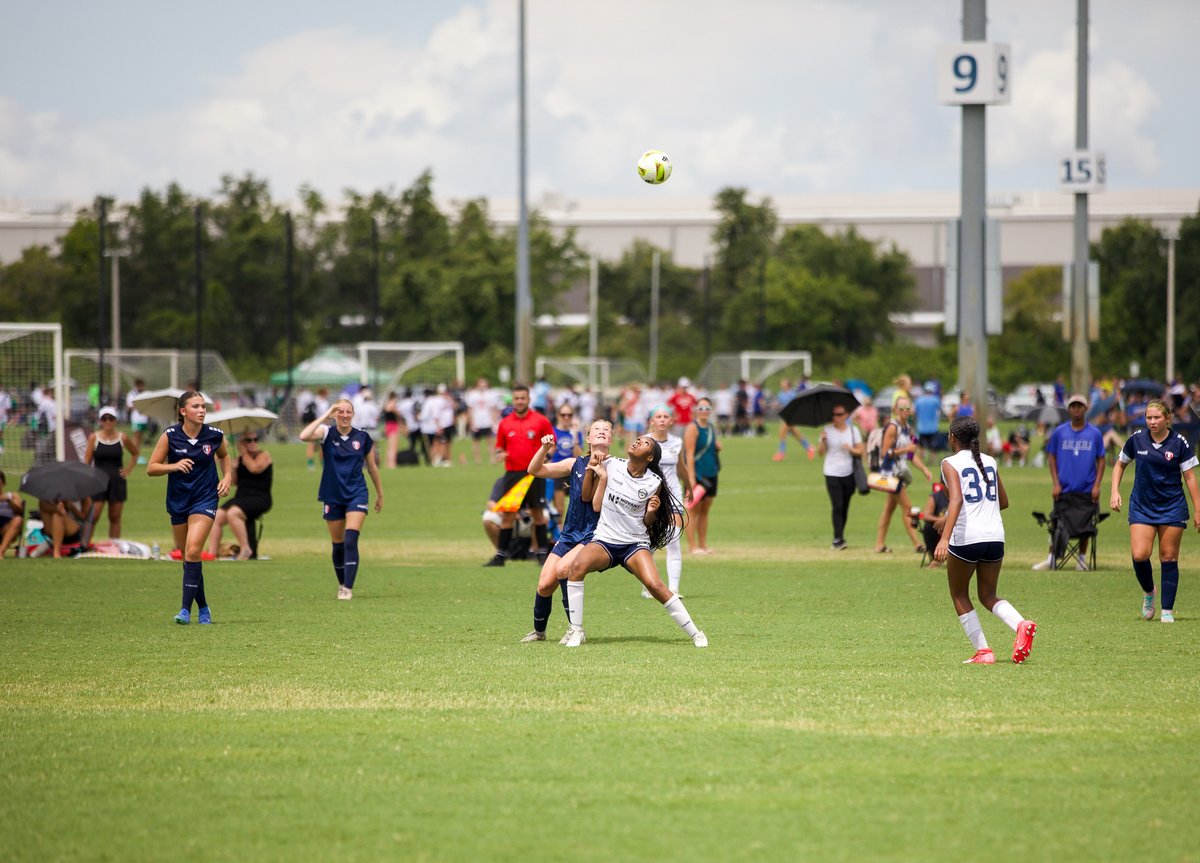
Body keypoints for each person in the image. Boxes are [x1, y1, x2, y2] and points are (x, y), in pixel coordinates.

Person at [561, 436, 708, 648]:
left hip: (634, 544)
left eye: (645, 443)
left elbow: (648, 522)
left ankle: (696, 634)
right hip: (605, 540)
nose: (638, 442)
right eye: (638, 439)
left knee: (656, 585)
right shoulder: (611, 464)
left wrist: (651, 512)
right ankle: (577, 631)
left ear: (649, 457)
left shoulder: (654, 483)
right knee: (576, 568)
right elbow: (587, 497)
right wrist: (593, 468)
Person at [933, 416, 1036, 664]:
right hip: (995, 537)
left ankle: (984, 652)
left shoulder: (949, 462)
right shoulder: (989, 461)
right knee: (988, 595)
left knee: (959, 594)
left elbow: (956, 499)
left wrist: (944, 538)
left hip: (967, 537)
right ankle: (1021, 624)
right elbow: (1004, 501)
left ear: (952, 438)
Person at [520, 420, 613, 643]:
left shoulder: (618, 467)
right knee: (544, 584)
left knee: (564, 568)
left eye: (606, 430)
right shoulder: (574, 463)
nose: (601, 432)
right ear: (588, 438)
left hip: (593, 534)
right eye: (596, 430)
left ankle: (575, 629)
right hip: (570, 533)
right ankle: (539, 632)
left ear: (611, 438)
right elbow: (534, 470)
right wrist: (544, 448)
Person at [1109, 399, 1200, 624]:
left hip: (1172, 506)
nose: (1152, 422)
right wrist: (1114, 491)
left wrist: (1198, 509)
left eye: (1157, 417)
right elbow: (1120, 464)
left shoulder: (1179, 443)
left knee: (1168, 557)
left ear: (1167, 419)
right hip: (1142, 505)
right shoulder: (1136, 439)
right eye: (1149, 417)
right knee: (1140, 555)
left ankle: (1167, 610)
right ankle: (1150, 592)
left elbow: (1189, 477)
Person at [147, 391, 232, 624]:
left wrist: (227, 478)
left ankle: (185, 610)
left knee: (193, 550)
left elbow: (224, 457)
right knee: (188, 555)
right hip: (178, 500)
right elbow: (151, 467)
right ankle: (203, 607)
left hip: (205, 499)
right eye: (196, 406)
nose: (202, 410)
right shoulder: (170, 436)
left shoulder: (214, 435)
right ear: (183, 411)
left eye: (204, 406)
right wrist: (173, 466)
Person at [299, 398, 385, 600]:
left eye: (348, 412)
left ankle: (347, 587)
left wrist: (380, 493)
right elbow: (304, 436)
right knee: (337, 544)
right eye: (340, 412)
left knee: (351, 539)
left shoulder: (362, 437)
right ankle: (341, 583)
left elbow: (372, 467)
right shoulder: (326, 433)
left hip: (357, 493)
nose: (344, 415)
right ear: (335, 414)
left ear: (353, 414)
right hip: (332, 494)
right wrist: (326, 414)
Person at [482, 384, 555, 567]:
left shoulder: (540, 421)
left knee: (538, 514)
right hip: (513, 474)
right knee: (508, 515)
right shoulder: (505, 423)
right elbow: (500, 446)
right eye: (517, 398)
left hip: (534, 473)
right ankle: (500, 556)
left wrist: (547, 455)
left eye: (523, 398)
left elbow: (551, 442)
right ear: (512, 400)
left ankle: (541, 554)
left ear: (529, 399)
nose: (520, 401)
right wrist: (500, 454)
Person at [1032, 393, 1106, 571]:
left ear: (1085, 408)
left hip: (1086, 488)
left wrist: (1097, 485)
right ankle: (1051, 557)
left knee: (1085, 524)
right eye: (1073, 406)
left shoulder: (1094, 434)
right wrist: (1055, 482)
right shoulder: (1060, 432)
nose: (1076, 409)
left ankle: (1081, 559)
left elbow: (1101, 460)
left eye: (1079, 406)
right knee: (1056, 522)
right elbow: (1051, 457)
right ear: (1069, 409)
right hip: (1064, 489)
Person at [873, 397, 932, 553]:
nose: (905, 411)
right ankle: (917, 544)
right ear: (896, 410)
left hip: (900, 472)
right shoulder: (893, 427)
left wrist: (924, 469)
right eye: (902, 408)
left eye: (907, 408)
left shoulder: (908, 428)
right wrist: (906, 450)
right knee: (908, 508)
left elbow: (912, 455)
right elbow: (885, 452)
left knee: (889, 508)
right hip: (890, 474)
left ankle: (879, 544)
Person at [645, 405, 691, 594]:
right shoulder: (645, 442)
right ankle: (648, 584)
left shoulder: (676, 442)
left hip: (673, 496)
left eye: (666, 416)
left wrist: (689, 486)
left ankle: (673, 588)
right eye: (659, 416)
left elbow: (681, 467)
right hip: (651, 496)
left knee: (673, 540)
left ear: (671, 421)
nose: (662, 419)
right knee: (651, 543)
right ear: (652, 421)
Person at [207, 431, 273, 560]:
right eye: (248, 440)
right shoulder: (241, 459)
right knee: (216, 516)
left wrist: (243, 453)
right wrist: (234, 468)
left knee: (233, 513)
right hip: (242, 496)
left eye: (255, 439)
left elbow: (255, 468)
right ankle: (212, 552)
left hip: (259, 497)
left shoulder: (264, 455)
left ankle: (246, 549)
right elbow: (235, 482)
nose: (253, 443)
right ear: (241, 443)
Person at [83, 406, 139, 539]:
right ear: (100, 421)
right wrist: (88, 475)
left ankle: (114, 545)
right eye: (104, 418)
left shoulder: (122, 438)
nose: (108, 421)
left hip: (116, 480)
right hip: (98, 479)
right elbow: (87, 458)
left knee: (115, 516)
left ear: (115, 421)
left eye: (111, 418)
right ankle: (84, 544)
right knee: (93, 515)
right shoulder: (94, 437)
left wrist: (128, 469)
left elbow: (135, 453)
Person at [818, 404, 864, 550]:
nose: (836, 418)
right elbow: (820, 453)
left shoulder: (853, 430)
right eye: (834, 415)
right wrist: (823, 441)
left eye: (839, 414)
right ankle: (837, 538)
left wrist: (850, 449)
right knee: (837, 505)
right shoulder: (827, 431)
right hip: (831, 472)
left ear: (846, 415)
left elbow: (860, 451)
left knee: (845, 506)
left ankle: (840, 535)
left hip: (849, 473)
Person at [683, 396, 721, 555]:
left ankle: (703, 544)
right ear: (696, 410)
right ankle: (693, 546)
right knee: (693, 509)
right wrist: (691, 478)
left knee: (705, 509)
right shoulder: (693, 428)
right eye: (701, 408)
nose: (704, 411)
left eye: (707, 409)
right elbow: (689, 454)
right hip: (697, 474)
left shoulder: (711, 427)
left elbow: (710, 446)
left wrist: (717, 447)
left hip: (711, 472)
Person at [466, 377, 499, 465]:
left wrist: (494, 421)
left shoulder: (490, 394)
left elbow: (493, 409)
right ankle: (477, 460)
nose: (482, 386)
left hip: (487, 421)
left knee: (490, 441)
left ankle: (492, 459)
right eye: (481, 384)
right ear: (477, 384)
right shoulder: (473, 394)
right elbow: (470, 409)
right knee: (476, 442)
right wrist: (471, 422)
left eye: (484, 384)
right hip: (477, 422)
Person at [918, 481, 950, 568]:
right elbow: (926, 515)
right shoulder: (935, 496)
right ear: (942, 484)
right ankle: (935, 556)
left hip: (954, 527)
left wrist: (946, 520)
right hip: (938, 528)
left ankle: (945, 558)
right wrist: (940, 520)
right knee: (928, 527)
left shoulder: (958, 495)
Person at [0, 470, 25, 557]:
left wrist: (9, 501)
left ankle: (1, 552)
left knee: (18, 520)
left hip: (6, 525)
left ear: (3, 483)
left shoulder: (12, 495)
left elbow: (20, 512)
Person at [304, 387, 330, 470]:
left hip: (312, 424)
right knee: (322, 444)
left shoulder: (314, 400)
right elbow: (325, 416)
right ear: (324, 393)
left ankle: (310, 463)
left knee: (311, 444)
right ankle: (323, 463)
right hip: (321, 425)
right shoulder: (324, 403)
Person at [126, 379, 150, 463]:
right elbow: (129, 407)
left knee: (140, 437)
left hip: (144, 419)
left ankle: (137, 455)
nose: (141, 387)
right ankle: (134, 455)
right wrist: (139, 405)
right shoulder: (131, 394)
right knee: (136, 437)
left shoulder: (145, 394)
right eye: (139, 385)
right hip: (136, 419)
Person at [913, 387, 942, 453]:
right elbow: (939, 409)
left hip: (921, 427)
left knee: (921, 444)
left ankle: (922, 457)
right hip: (933, 427)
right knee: (933, 445)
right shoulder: (935, 399)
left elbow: (915, 412)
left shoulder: (918, 400)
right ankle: (932, 460)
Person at [381, 391, 402, 469]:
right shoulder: (392, 405)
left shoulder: (386, 404)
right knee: (393, 447)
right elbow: (399, 415)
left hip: (387, 426)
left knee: (389, 447)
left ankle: (388, 463)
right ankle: (392, 464)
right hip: (393, 426)